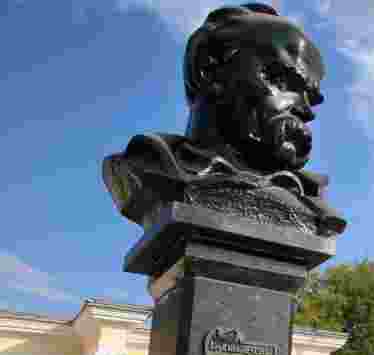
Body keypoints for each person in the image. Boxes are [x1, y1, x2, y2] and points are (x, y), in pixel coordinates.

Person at [103, 3, 345, 237]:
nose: (305, 110)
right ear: (206, 69)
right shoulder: (148, 166)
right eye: (281, 81)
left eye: (310, 98)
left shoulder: (311, 201)